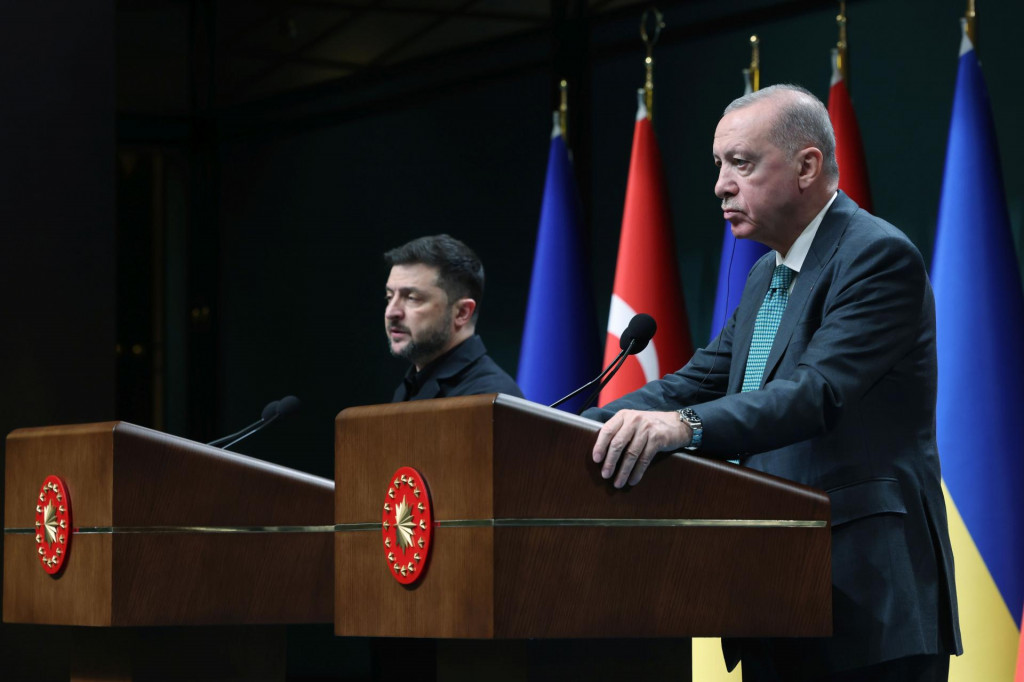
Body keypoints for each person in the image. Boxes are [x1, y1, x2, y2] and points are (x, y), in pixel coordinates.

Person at [585, 85, 961, 681]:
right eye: (719, 166)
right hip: (777, 596)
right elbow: (699, 379)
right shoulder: (770, 273)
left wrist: (680, 430)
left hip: (867, 601)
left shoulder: (877, 256)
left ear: (807, 165)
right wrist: (570, 430)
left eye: (741, 163)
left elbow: (816, 393)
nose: (721, 186)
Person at [384, 234, 523, 401]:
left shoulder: (489, 397)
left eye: (412, 298)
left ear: (462, 312)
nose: (391, 312)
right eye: (389, 297)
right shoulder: (410, 386)